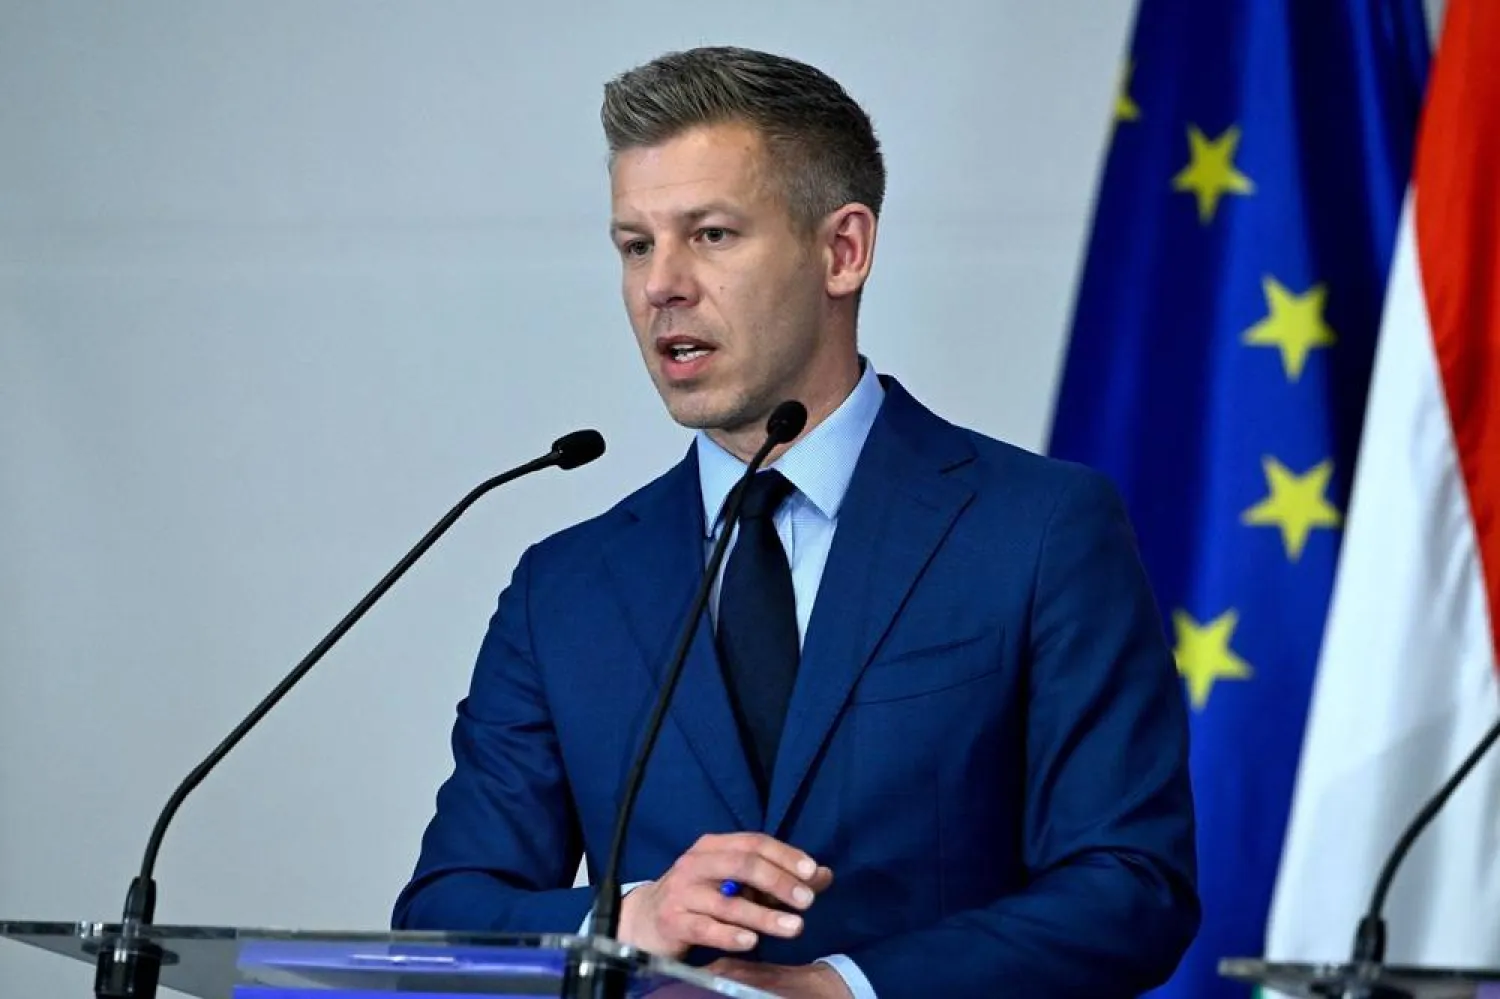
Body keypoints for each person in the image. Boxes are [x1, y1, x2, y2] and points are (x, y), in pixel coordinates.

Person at [392, 45, 1200, 999]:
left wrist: (840, 987)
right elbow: (446, 923)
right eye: (636, 244)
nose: (663, 286)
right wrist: (629, 916)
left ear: (842, 251)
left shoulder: (1039, 530)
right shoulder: (563, 588)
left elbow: (1129, 887)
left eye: (713, 234)